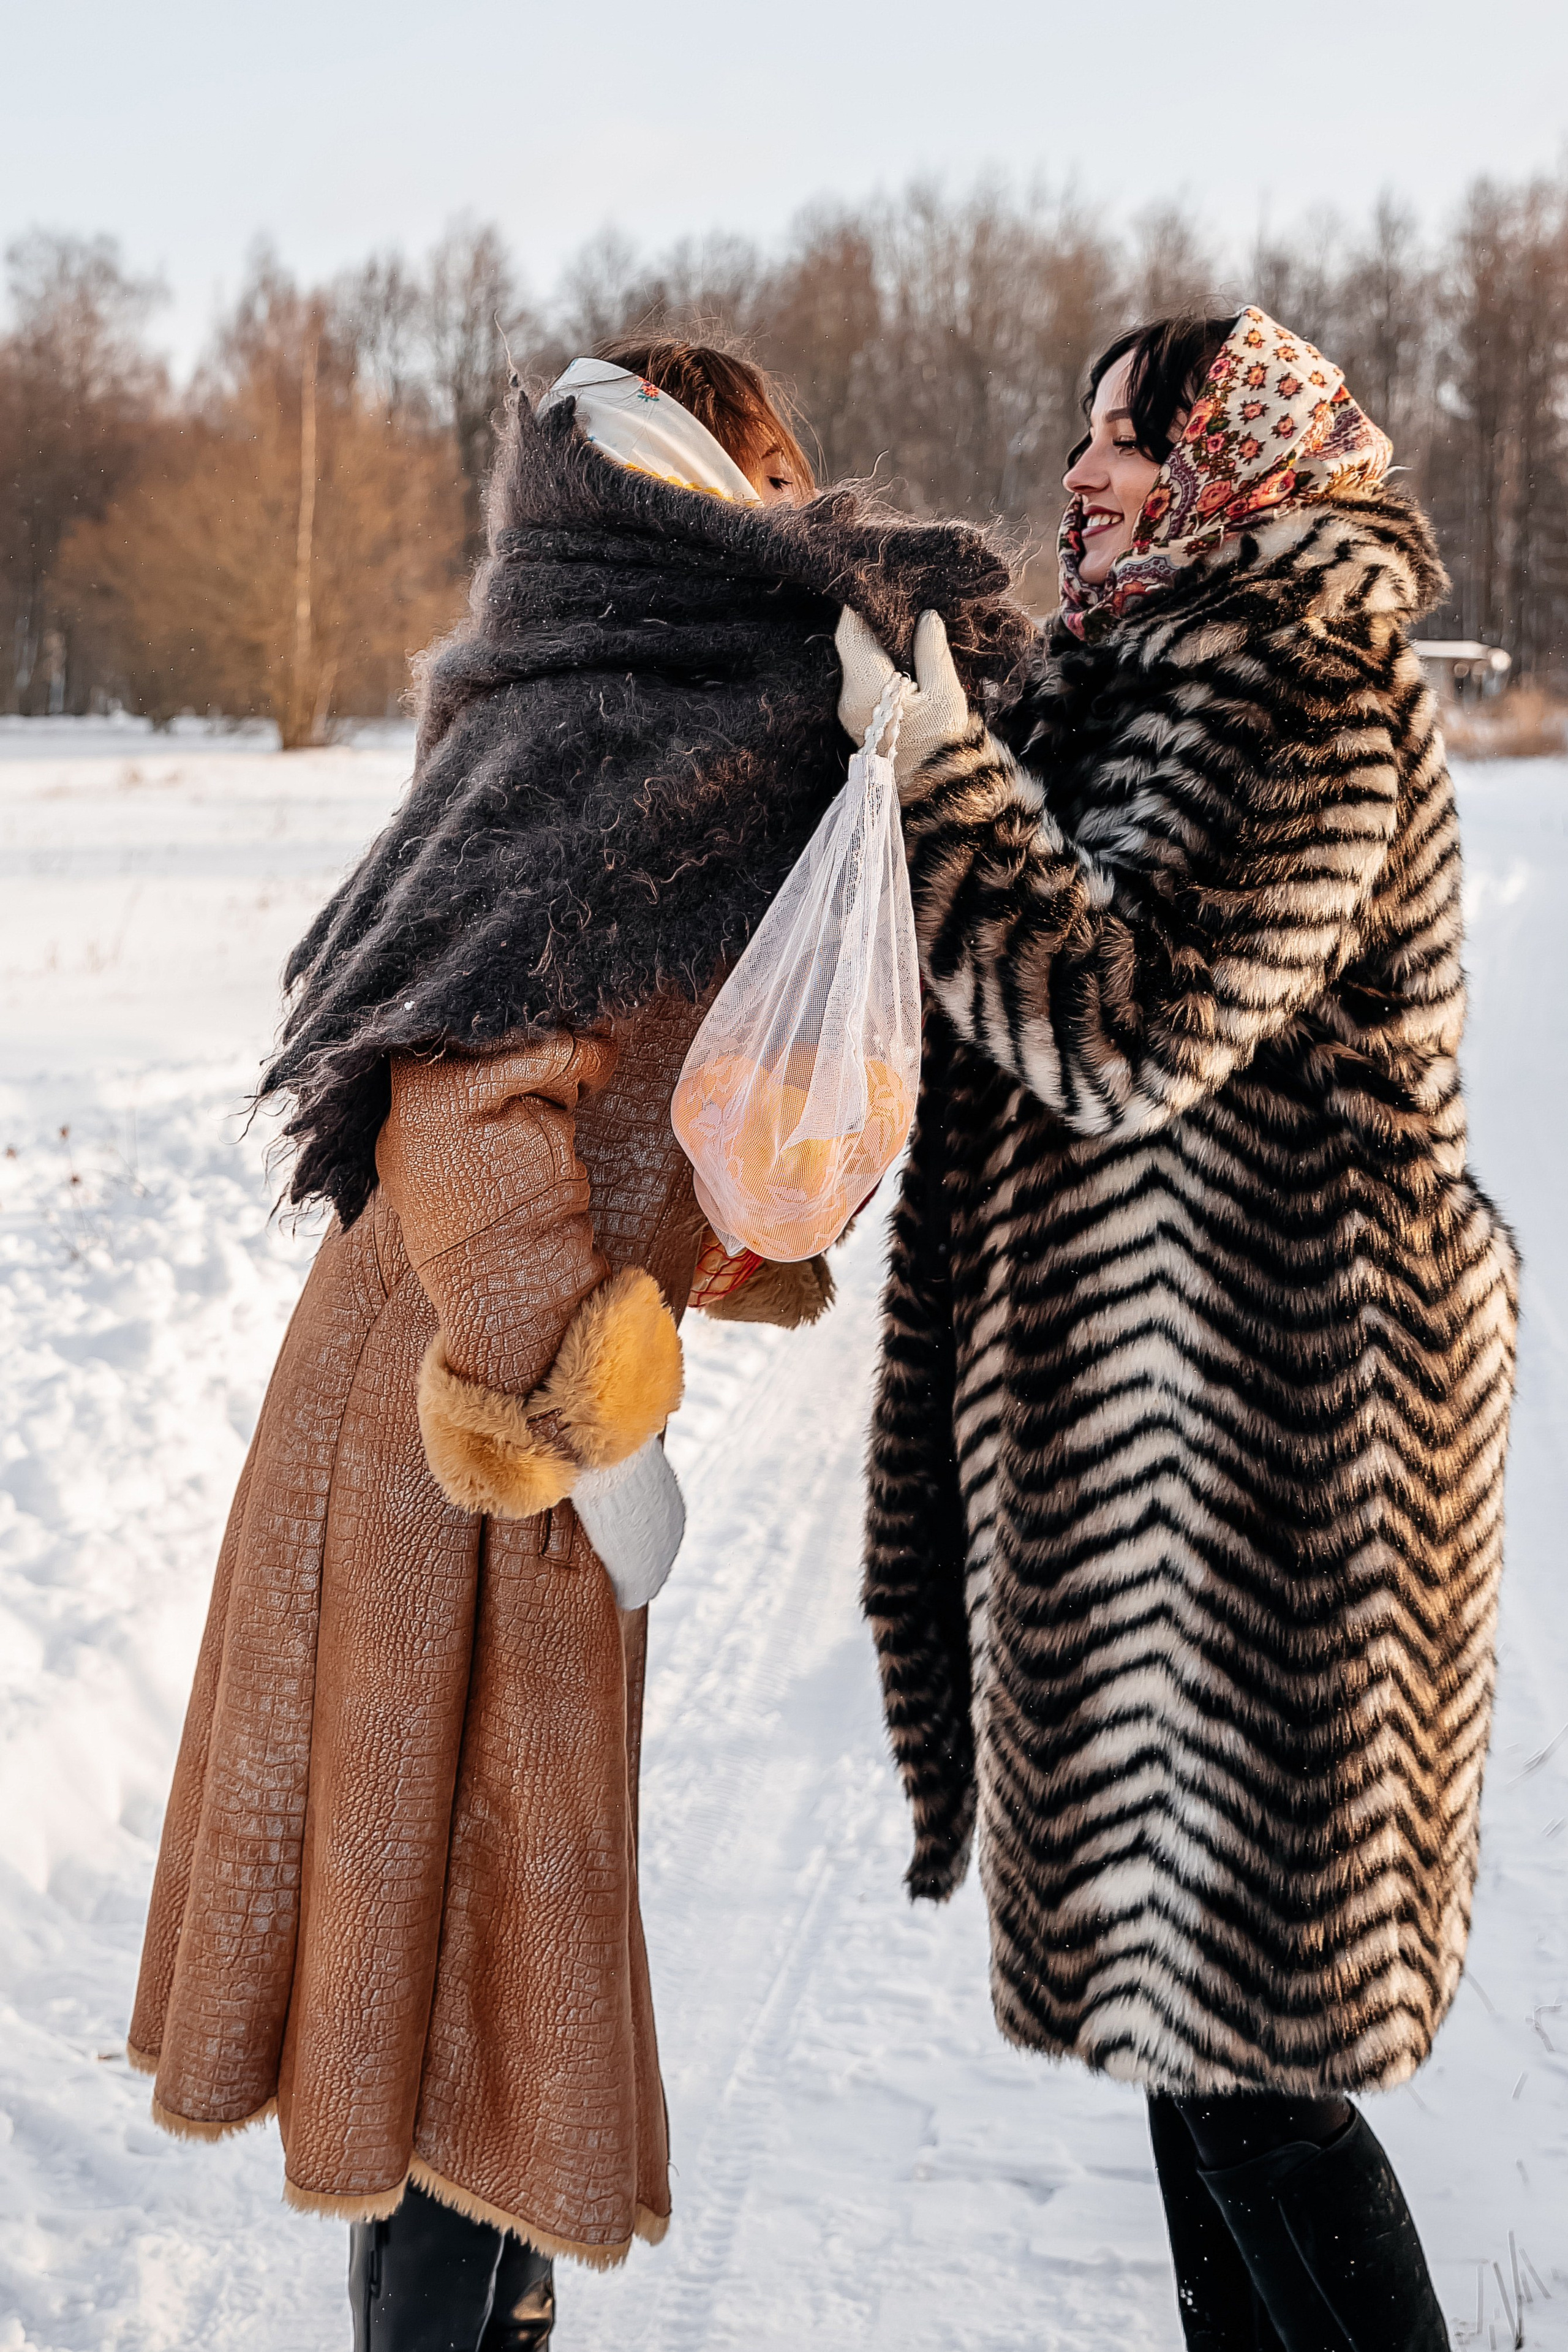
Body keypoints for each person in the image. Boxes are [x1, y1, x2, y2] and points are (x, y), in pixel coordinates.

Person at [126, 337, 1030, 2351]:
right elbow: (458, 1096)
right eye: (763, 489)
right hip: (470, 1406)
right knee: (460, 1963)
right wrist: (595, 1421)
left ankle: (489, 2312)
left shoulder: (611, 688)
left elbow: (658, 1065)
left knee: (486, 1924)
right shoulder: (634, 710)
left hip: (471, 1384)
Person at [839, 307, 1518, 2349]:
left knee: (1257, 2069)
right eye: (1082, 438)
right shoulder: (1120, 688)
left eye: (1130, 439)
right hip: (1123, 1474)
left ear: (1238, 458)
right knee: (1190, 2063)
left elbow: (1133, 1035)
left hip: (1287, 1464)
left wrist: (936, 772)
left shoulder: (1312, 688)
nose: (1087, 473)